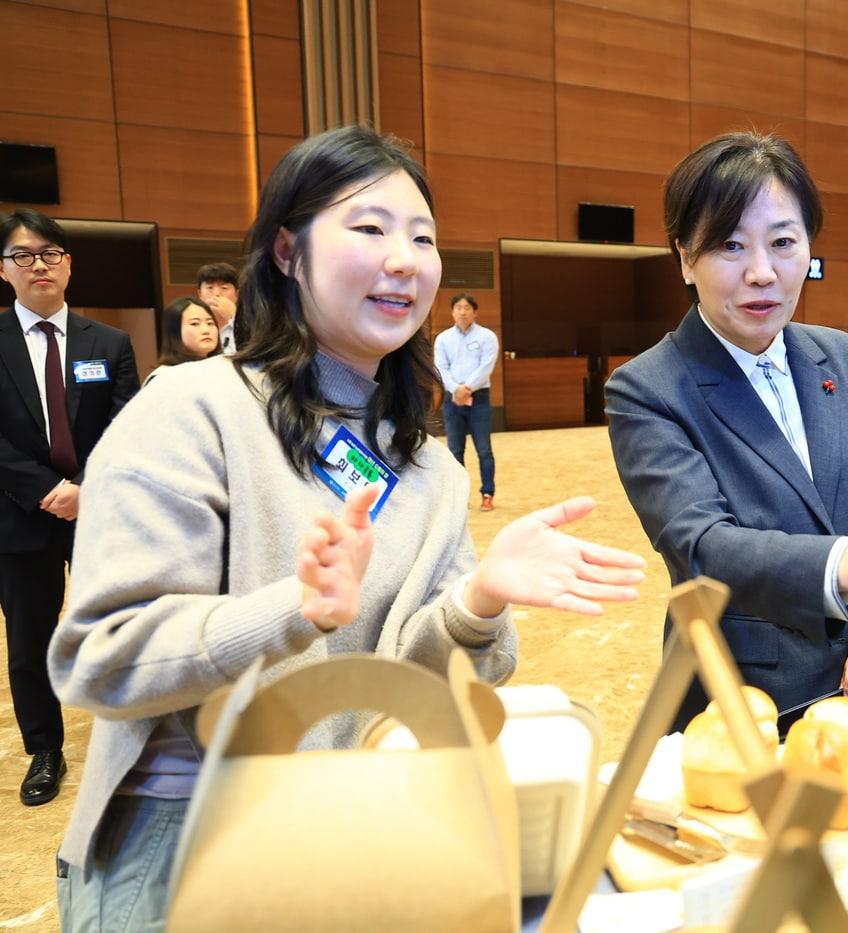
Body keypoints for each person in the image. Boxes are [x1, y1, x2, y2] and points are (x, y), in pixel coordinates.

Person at [48, 125, 644, 927]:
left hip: (364, 814)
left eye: (423, 237)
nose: (405, 258)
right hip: (189, 839)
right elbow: (99, 655)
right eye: (369, 228)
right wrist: (293, 609)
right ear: (287, 252)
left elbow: (412, 676)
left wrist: (477, 598)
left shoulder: (426, 464)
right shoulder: (193, 409)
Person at [606, 133, 848, 728]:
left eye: (783, 242)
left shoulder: (841, 355)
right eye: (730, 246)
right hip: (745, 706)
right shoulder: (647, 388)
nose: (762, 273)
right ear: (686, 257)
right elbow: (703, 546)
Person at [0, 207, 140, 805]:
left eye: (50, 254)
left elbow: (126, 423)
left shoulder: (107, 342)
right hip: (17, 517)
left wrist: (86, 484)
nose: (39, 266)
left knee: (112, 628)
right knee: (30, 642)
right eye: (24, 256)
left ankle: (129, 740)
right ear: (4, 270)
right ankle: (45, 750)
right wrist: (43, 490)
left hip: (98, 514)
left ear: (69, 265)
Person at [434, 292, 499, 511]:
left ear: (474, 311)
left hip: (479, 398)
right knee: (454, 451)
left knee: (484, 450)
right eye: (458, 308)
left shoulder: (487, 336)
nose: (462, 312)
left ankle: (487, 494)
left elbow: (486, 367)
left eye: (467, 308)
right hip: (452, 400)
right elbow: (441, 368)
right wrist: (456, 389)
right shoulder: (443, 339)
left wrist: (467, 388)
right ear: (452, 312)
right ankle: (459, 497)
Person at [142, 296, 220, 386]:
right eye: (195, 323)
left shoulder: (224, 369)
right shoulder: (164, 377)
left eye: (210, 323)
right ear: (174, 331)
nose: (206, 330)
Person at [195, 261, 239, 353]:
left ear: (237, 294)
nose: (216, 294)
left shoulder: (253, 324)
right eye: (210, 288)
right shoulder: (191, 324)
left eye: (224, 288)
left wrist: (234, 317)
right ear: (200, 294)